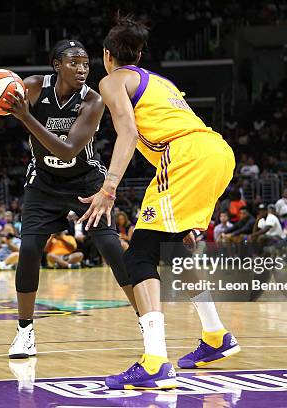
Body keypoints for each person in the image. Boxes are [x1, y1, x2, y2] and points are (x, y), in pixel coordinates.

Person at [77, 16, 238, 389]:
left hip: (185, 156)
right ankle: (216, 337)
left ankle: (155, 362)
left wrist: (109, 187)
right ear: (139, 53)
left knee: (139, 256)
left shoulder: (112, 79)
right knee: (177, 251)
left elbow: (128, 133)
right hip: (216, 151)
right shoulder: (161, 82)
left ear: (107, 55)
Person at [0, 39, 137, 359]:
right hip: (44, 181)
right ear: (56, 66)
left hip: (86, 179)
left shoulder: (93, 100)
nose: (81, 69)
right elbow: (4, 99)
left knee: (110, 247)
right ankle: (25, 331)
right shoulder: (35, 87)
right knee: (29, 249)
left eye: (85, 64)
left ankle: (146, 321)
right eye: (73, 63)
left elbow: (67, 150)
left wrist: (26, 118)